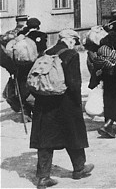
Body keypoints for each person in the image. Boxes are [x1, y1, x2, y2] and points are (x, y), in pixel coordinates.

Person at [30, 29, 94, 188]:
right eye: (75, 41)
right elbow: (74, 83)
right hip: (66, 103)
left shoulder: (46, 53)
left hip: (45, 103)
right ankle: (79, 168)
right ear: (71, 40)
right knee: (73, 133)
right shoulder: (71, 54)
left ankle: (43, 177)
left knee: (45, 139)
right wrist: (77, 104)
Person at [13, 17, 48, 119]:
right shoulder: (41, 35)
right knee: (36, 86)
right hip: (35, 65)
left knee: (23, 87)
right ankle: (38, 111)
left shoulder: (21, 36)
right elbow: (42, 50)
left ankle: (25, 113)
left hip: (21, 66)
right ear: (38, 26)